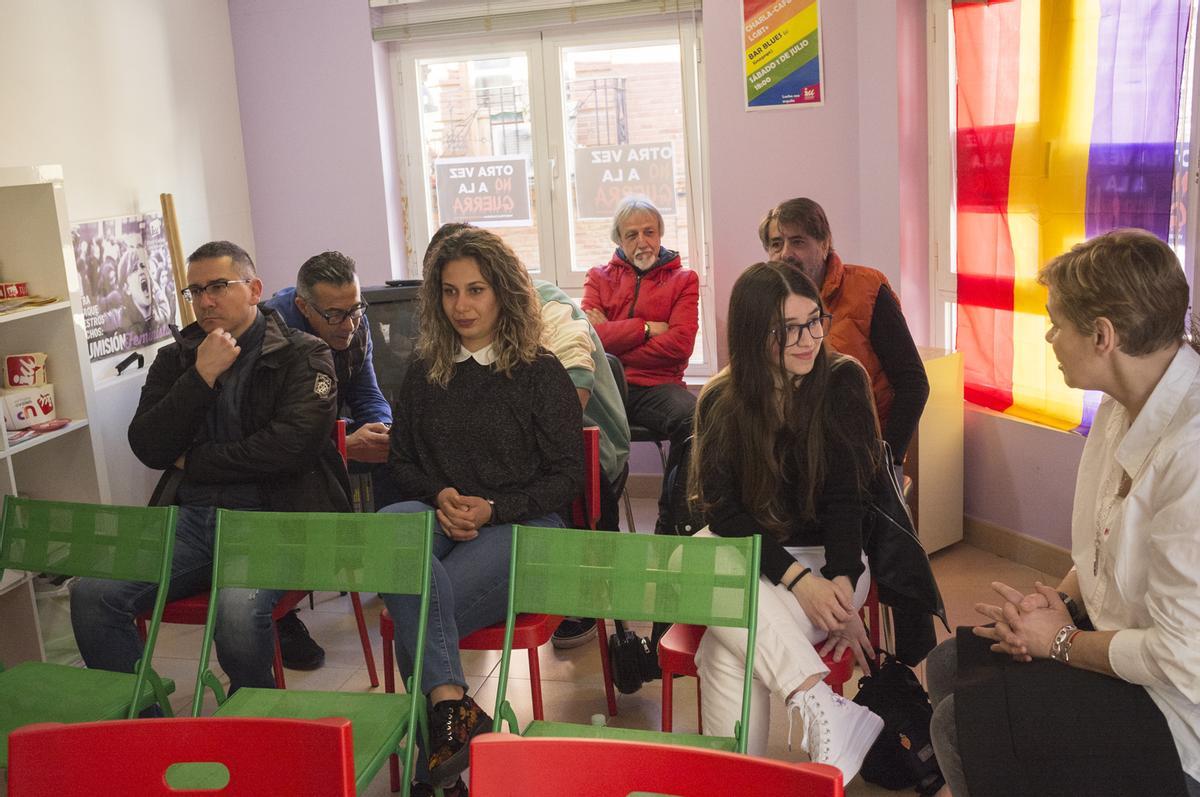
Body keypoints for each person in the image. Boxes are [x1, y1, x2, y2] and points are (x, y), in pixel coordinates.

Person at [927, 230, 1200, 797]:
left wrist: (1058, 642)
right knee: (950, 663)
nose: (1049, 336)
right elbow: (1103, 541)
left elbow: (1180, 656)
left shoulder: (1191, 454)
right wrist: (1060, 603)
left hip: (1177, 710)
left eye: (1056, 323)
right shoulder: (1120, 405)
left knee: (957, 728)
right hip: (1119, 645)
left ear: (1102, 335)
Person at [71, 240, 350, 697]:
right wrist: (200, 378)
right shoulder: (179, 357)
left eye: (218, 286)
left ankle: (251, 717)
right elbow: (148, 445)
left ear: (254, 288)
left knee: (236, 610)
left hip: (276, 523)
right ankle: (145, 723)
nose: (205, 301)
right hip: (194, 523)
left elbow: (290, 449)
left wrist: (194, 461)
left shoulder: (306, 354)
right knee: (91, 593)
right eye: (195, 290)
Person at [379, 227, 584, 793]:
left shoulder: (540, 372)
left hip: (524, 523)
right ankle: (452, 708)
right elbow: (400, 463)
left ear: (503, 293)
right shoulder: (425, 371)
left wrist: (495, 508)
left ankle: (436, 774)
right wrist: (440, 493)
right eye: (449, 292)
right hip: (440, 516)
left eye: (475, 290)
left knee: (414, 613)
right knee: (392, 528)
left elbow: (567, 478)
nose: (461, 306)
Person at [689, 261, 885, 783]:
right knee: (694, 555)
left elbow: (850, 502)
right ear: (755, 337)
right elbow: (724, 512)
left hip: (833, 560)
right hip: (761, 561)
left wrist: (839, 591)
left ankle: (733, 788)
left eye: (814, 320)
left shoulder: (842, 382)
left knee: (722, 646)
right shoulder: (724, 400)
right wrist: (797, 584)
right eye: (787, 330)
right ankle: (820, 703)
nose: (809, 339)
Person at [265, 250, 393, 670]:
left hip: (334, 429)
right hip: (284, 454)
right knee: (296, 482)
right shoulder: (272, 333)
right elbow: (279, 433)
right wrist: (341, 445)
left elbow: (366, 390)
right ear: (304, 307)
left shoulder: (353, 319)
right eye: (336, 315)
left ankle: (396, 579)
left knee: (401, 462)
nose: (351, 324)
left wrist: (384, 430)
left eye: (356, 309)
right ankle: (281, 615)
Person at [760, 198, 928, 472]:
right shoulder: (764, 301)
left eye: (798, 241)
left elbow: (914, 383)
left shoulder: (867, 290)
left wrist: (886, 461)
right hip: (795, 458)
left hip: (863, 456)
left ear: (824, 244)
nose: (786, 253)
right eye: (776, 244)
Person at [582, 196, 699, 533]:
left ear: (661, 235)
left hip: (656, 387)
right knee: (573, 430)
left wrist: (613, 336)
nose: (642, 241)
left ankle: (673, 525)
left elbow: (680, 346)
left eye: (649, 232)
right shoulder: (597, 277)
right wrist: (646, 329)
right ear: (619, 241)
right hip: (606, 386)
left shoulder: (684, 280)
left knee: (696, 420)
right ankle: (602, 535)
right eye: (631, 234)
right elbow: (590, 342)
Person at [534, 277, 631, 649]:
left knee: (561, 453)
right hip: (540, 443)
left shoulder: (547, 305)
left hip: (594, 444)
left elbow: (574, 381)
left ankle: (587, 594)